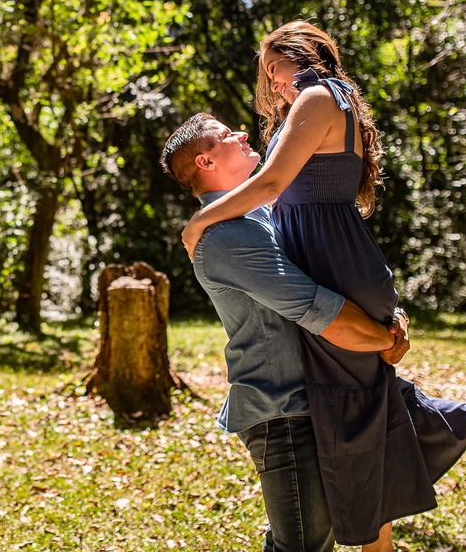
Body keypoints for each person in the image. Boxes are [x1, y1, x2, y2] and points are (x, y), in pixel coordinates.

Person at [179, 21, 466, 550]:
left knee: (355, 419)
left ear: (297, 55)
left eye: (274, 69)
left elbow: (274, 184)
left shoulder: (319, 96)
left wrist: (200, 223)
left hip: (332, 261)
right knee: (366, 409)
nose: (274, 84)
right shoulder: (323, 101)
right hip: (334, 259)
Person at [160, 113, 409, 552]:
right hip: (283, 413)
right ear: (205, 161)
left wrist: (390, 317)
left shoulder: (263, 215)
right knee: (304, 544)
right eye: (225, 135)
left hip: (317, 399)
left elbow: (336, 273)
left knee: (308, 539)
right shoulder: (225, 237)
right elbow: (320, 309)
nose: (240, 134)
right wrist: (383, 339)